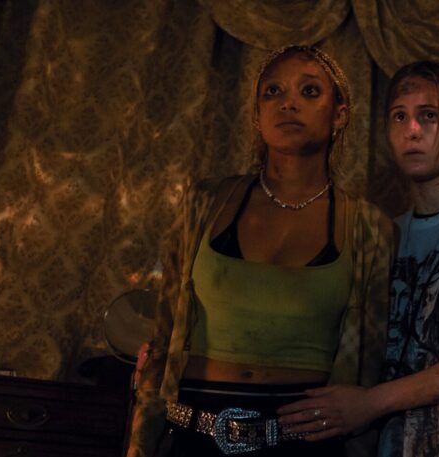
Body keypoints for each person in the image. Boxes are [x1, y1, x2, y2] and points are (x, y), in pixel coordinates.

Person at [126, 45, 394, 457]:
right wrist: (140, 445)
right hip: (195, 438)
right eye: (273, 91)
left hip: (305, 445)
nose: (288, 102)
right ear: (256, 116)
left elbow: (370, 362)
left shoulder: (368, 226)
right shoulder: (205, 202)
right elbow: (164, 337)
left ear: (339, 115)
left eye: (309, 91)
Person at [274, 61, 439, 457]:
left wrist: (372, 403)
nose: (412, 130)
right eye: (400, 116)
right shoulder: (384, 233)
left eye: (429, 116)